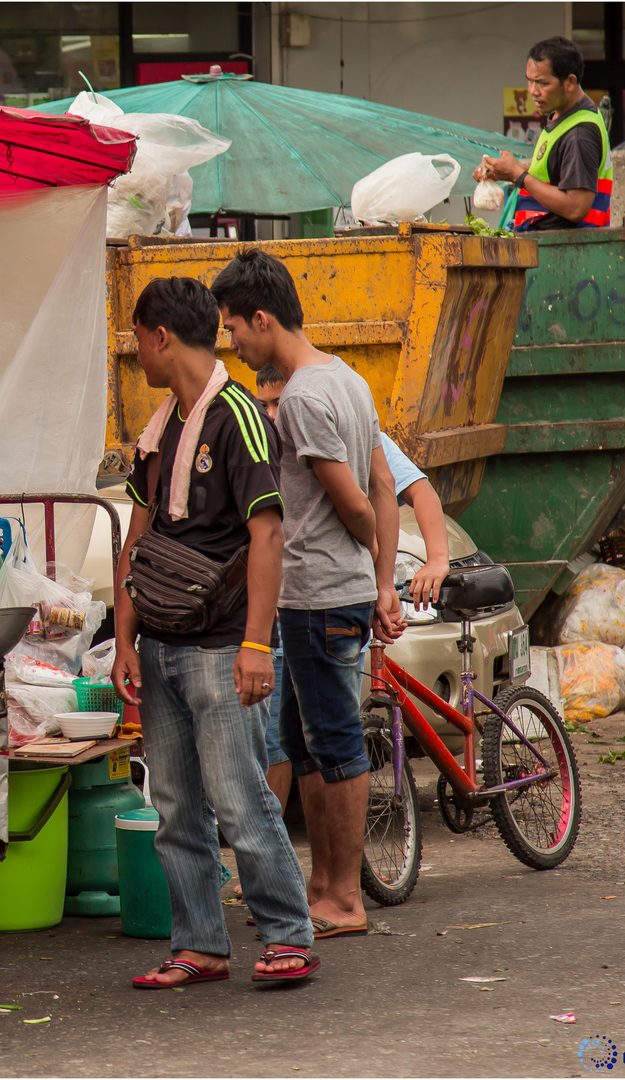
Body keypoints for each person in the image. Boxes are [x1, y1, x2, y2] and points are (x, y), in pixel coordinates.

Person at [109, 277, 318, 986]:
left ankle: (289, 932)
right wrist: (126, 639)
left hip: (223, 645)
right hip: (163, 644)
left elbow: (268, 535)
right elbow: (136, 538)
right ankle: (199, 943)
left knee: (238, 795)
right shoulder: (159, 423)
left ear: (161, 336)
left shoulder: (238, 417)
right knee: (173, 806)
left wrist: (258, 644)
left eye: (137, 338)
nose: (135, 352)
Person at [210, 250, 401, 942]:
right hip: (322, 594)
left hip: (322, 593)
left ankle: (345, 896)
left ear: (264, 319)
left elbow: (357, 500)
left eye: (235, 329)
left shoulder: (302, 397)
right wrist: (379, 580)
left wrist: (369, 556)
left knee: (336, 743)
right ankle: (321, 885)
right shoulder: (345, 378)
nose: (234, 345)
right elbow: (384, 481)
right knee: (306, 740)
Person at [251, 363, 450, 809]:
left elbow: (409, 490)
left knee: (317, 742)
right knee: (281, 739)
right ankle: (280, 853)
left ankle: (315, 868)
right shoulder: (266, 441)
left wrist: (432, 561)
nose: (271, 412)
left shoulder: (342, 427)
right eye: (263, 403)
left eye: (278, 402)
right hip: (282, 605)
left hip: (327, 601)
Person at [473, 36, 611, 230]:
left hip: (568, 250)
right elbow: (555, 175)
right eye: (529, 81)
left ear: (570, 82)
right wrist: (506, 172)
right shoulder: (563, 117)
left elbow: (576, 208)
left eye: (542, 83)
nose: (532, 91)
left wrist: (518, 175)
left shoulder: (579, 133)